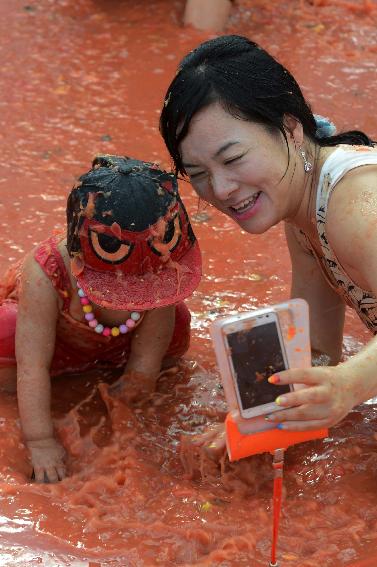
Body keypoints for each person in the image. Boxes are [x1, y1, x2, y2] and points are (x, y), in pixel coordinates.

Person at [159, 34, 377, 453]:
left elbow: (340, 376)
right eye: (198, 173)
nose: (220, 188)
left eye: (233, 158)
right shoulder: (305, 211)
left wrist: (350, 385)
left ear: (290, 129)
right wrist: (262, 418)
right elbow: (318, 353)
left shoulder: (355, 205)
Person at [0, 155, 202, 482]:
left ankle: (109, 368)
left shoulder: (163, 269)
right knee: (6, 334)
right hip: (57, 346)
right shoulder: (45, 273)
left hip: (121, 345)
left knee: (177, 320)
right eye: (124, 288)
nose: (136, 294)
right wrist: (40, 441)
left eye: (144, 288)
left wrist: (140, 379)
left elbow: (149, 353)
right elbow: (32, 366)